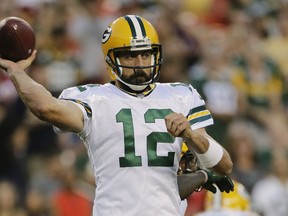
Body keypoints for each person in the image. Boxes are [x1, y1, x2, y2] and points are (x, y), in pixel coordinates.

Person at [0, 15, 233, 216]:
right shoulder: (94, 98)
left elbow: (223, 166)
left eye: (145, 54)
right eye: (130, 56)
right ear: (112, 59)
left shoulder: (182, 94)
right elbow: (45, 107)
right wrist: (17, 71)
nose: (140, 63)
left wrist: (191, 136)